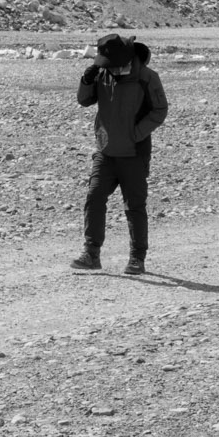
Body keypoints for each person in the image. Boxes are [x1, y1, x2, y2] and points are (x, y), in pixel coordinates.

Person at [73, 32, 168, 274]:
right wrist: (86, 80)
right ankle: (91, 253)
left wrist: (135, 134)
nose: (109, 69)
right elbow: (84, 101)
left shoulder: (147, 77)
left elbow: (159, 110)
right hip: (105, 152)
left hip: (134, 153)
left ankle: (137, 258)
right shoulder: (103, 73)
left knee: (134, 206)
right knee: (94, 198)